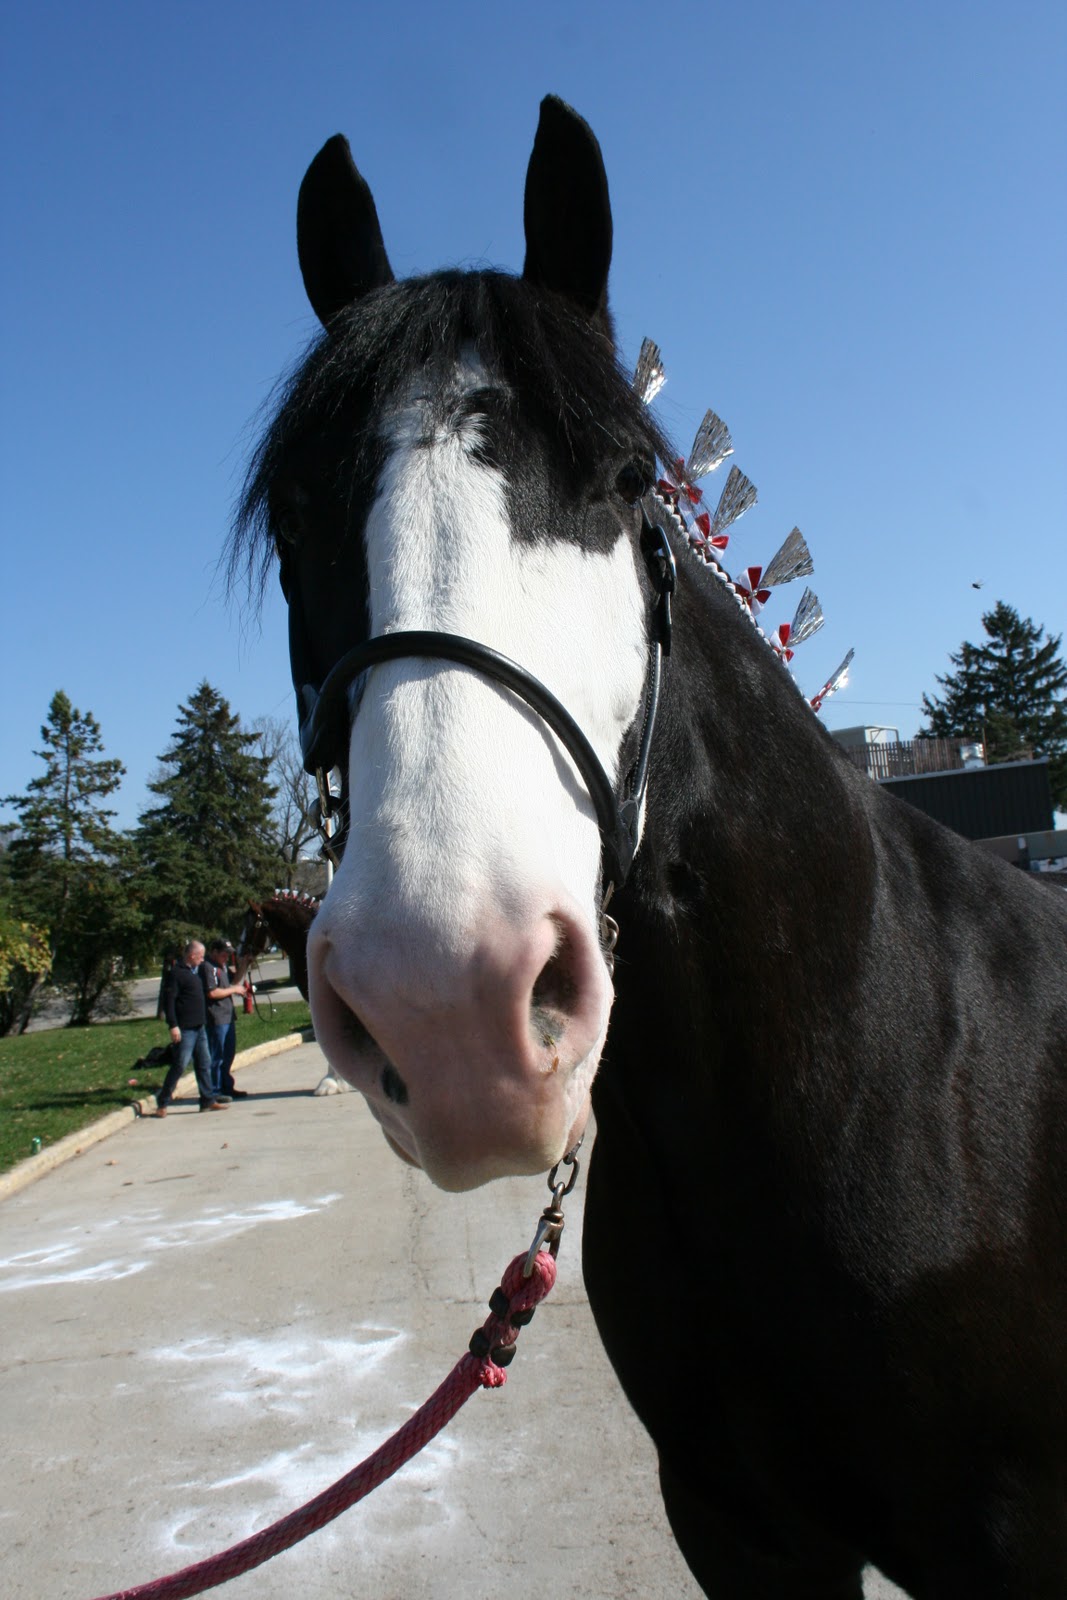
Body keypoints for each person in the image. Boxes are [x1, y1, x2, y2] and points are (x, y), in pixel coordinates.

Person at [153, 939, 228, 1115]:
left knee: (204, 1063)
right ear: (192, 955)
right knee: (180, 1064)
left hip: (199, 1027)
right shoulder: (176, 974)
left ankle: (207, 1100)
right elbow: (169, 1002)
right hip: (185, 1029)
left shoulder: (195, 972)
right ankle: (162, 1102)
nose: (202, 960)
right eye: (200, 956)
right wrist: (173, 1025)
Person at [201, 938, 249, 1100]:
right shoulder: (208, 967)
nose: (226, 958)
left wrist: (244, 965)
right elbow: (212, 992)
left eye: (228, 955)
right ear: (213, 952)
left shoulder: (221, 966)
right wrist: (234, 989)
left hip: (228, 1016)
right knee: (217, 1056)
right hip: (216, 1017)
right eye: (223, 954)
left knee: (228, 1054)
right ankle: (215, 1091)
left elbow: (233, 982)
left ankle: (227, 1086)